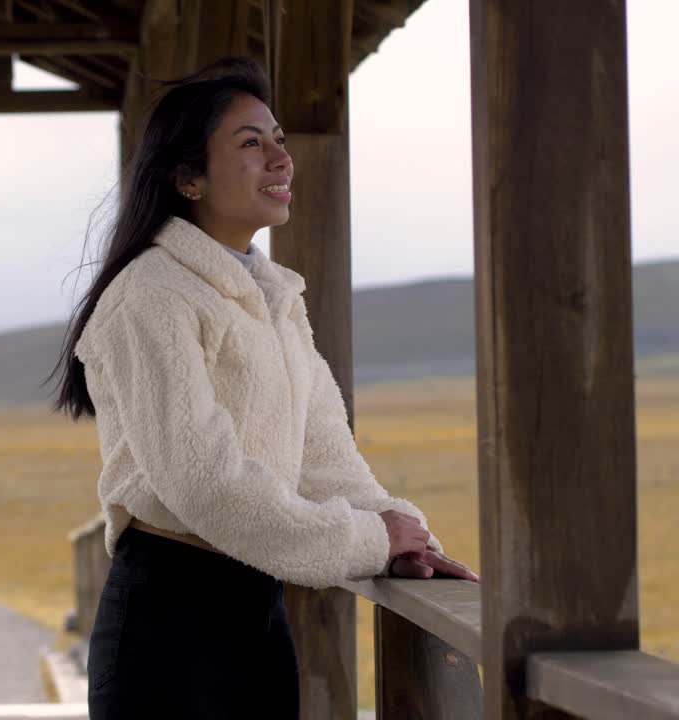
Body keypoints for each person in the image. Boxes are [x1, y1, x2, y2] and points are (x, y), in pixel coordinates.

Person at [48, 57, 479, 718]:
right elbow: (203, 482)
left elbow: (326, 461)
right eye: (251, 143)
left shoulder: (275, 298)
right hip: (168, 631)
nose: (281, 158)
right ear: (188, 177)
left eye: (278, 138)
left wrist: (408, 539)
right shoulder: (150, 295)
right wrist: (370, 539)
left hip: (259, 617)